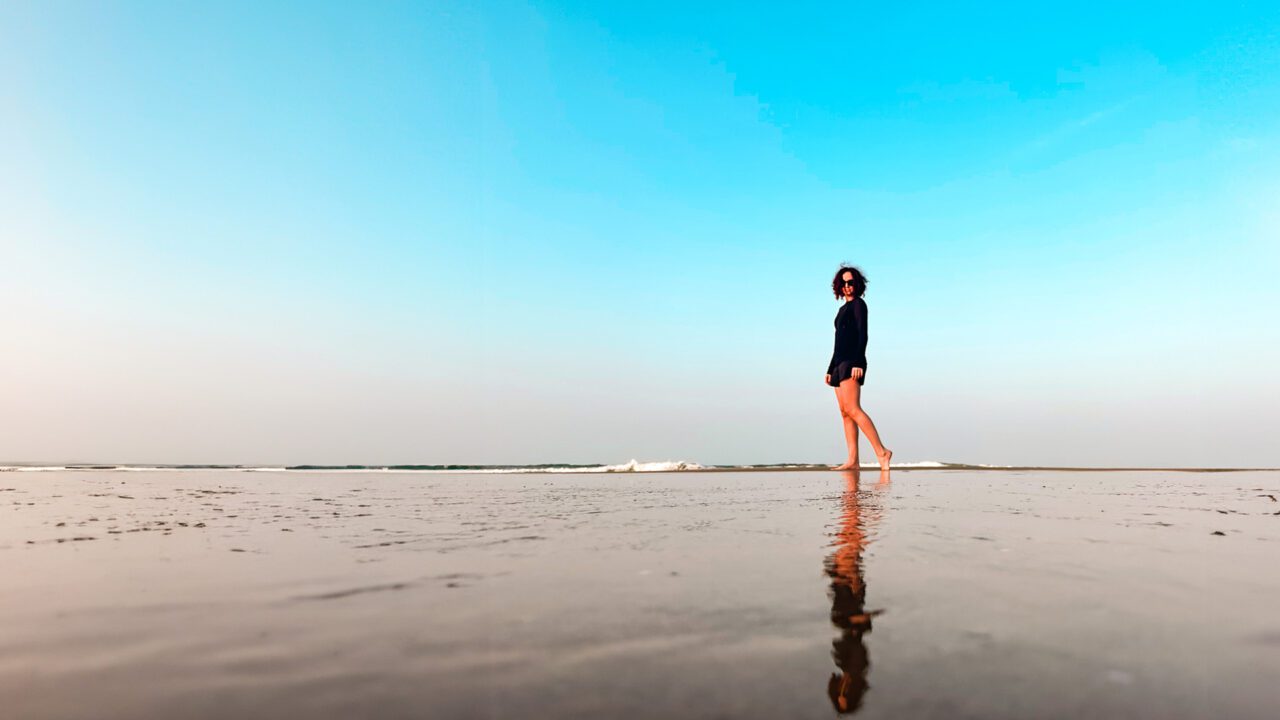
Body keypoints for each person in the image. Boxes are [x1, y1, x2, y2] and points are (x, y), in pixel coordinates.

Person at [825, 266, 892, 471]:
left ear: (857, 284)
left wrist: (858, 362)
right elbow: (838, 341)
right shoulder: (841, 310)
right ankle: (853, 460)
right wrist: (830, 368)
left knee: (853, 408)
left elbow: (862, 336)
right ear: (839, 286)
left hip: (851, 362)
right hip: (838, 364)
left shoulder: (859, 306)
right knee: (845, 413)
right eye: (843, 283)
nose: (847, 286)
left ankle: (882, 452)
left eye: (851, 282)